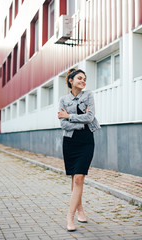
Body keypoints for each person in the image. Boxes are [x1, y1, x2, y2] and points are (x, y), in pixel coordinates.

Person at [58, 68, 101, 232]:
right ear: (70, 80)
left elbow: (90, 118)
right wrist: (79, 121)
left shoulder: (88, 95)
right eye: (80, 78)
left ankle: (69, 218)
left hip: (86, 141)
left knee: (79, 178)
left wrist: (69, 116)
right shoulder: (63, 100)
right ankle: (80, 210)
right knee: (74, 178)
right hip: (70, 141)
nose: (83, 81)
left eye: (85, 79)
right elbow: (63, 125)